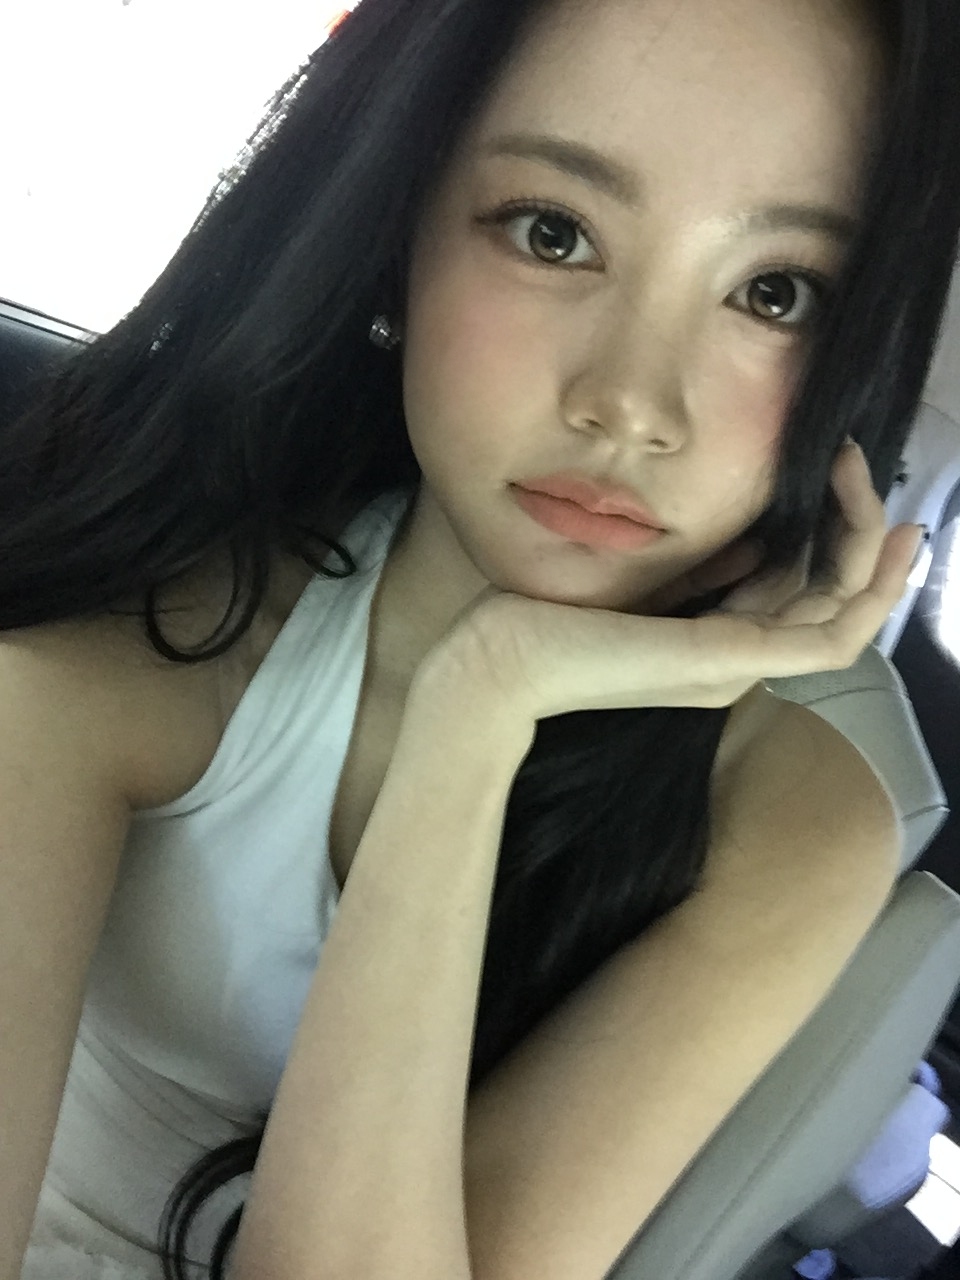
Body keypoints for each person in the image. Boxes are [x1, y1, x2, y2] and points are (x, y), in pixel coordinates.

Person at [4, 0, 960, 1276]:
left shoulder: (806, 808)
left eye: (775, 293)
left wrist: (480, 708)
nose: (631, 403)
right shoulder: (152, 615)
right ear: (398, 236)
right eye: (554, 232)